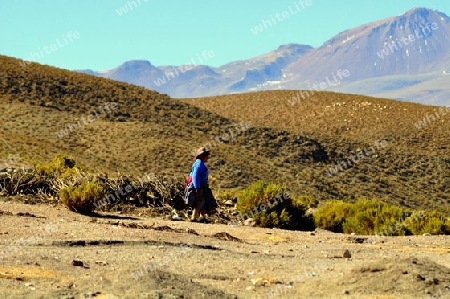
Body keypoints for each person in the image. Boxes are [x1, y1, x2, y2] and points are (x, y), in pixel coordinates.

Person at [184, 147, 217, 222]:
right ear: (202, 156)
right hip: (199, 185)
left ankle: (202, 217)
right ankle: (193, 218)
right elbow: (195, 175)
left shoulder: (199, 163)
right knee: (199, 201)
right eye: (206, 155)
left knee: (203, 201)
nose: (208, 157)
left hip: (201, 185)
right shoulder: (199, 164)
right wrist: (197, 187)